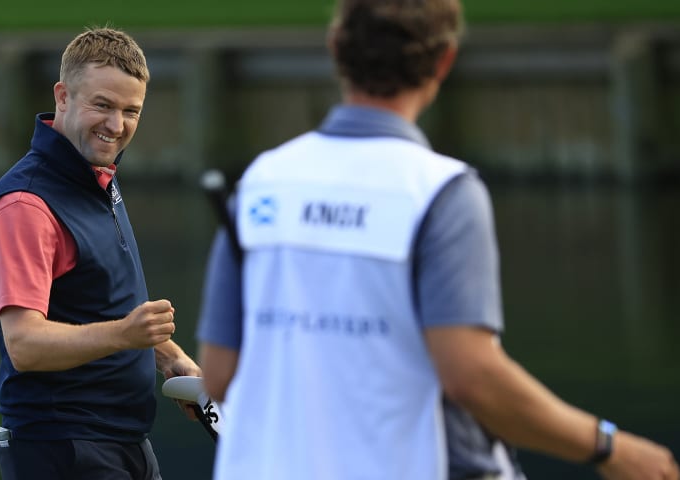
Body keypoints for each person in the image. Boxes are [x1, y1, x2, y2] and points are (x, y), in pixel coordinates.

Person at [195, 1, 680, 479]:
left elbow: (218, 375)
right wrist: (609, 447)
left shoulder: (261, 183)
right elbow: (472, 377)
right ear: (444, 61)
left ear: (336, 48)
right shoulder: (440, 191)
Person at [0, 27, 200, 480]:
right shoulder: (26, 205)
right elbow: (25, 344)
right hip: (62, 451)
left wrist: (171, 359)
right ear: (63, 96)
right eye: (102, 105)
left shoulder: (96, 176)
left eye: (130, 111)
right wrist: (126, 334)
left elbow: (99, 301)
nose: (116, 126)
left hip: (124, 442)